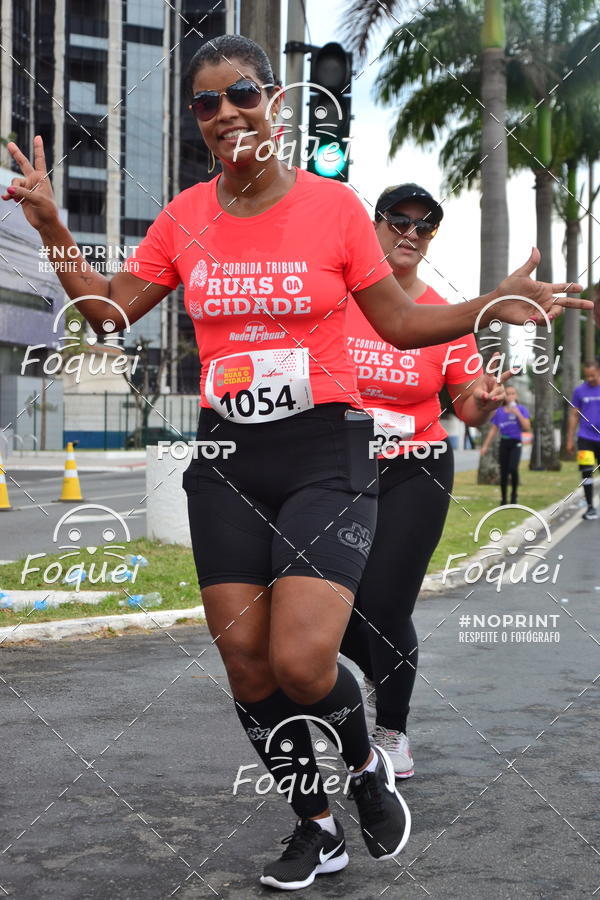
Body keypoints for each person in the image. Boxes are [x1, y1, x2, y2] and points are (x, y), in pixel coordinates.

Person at [3, 33, 587, 893]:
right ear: (197, 119)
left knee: (304, 663)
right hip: (229, 459)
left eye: (242, 93)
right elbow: (109, 315)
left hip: (325, 452)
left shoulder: (335, 208)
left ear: (275, 103)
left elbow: (398, 324)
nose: (226, 113)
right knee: (247, 665)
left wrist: (489, 301)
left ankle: (366, 767)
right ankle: (316, 826)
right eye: (207, 102)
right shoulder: (184, 217)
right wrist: (53, 225)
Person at [340, 183, 513, 778]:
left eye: (425, 225)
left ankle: (392, 730)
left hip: (416, 466)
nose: (410, 233)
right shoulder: (339, 300)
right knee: (325, 603)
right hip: (339, 465)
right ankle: (380, 671)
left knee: (384, 602)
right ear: (375, 225)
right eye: (398, 220)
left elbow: (466, 405)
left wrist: (483, 402)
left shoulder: (445, 317)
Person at [480, 386, 531, 505]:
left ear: (516, 396)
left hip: (516, 443)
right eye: (508, 394)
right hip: (504, 442)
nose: (510, 396)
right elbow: (493, 430)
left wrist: (517, 414)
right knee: (503, 471)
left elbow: (527, 427)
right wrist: (485, 446)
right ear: (505, 397)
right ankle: (503, 498)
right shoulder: (500, 412)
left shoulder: (521, 409)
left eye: (513, 394)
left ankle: (514, 495)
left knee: (513, 468)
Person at [567, 359, 600, 520]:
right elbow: (574, 415)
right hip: (585, 438)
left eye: (592, 375)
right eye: (587, 376)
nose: (589, 379)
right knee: (586, 472)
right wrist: (569, 439)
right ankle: (590, 507)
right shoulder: (579, 391)